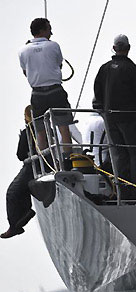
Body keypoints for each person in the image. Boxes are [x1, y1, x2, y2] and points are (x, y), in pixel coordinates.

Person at [93, 34, 136, 200]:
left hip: (110, 119)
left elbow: (97, 94)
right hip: (129, 118)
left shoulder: (104, 68)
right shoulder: (131, 69)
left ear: (114, 48)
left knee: (119, 155)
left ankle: (122, 194)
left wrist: (104, 111)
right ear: (128, 48)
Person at [18, 18, 74, 158]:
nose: (51, 32)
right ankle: (68, 160)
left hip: (37, 94)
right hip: (56, 91)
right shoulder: (53, 46)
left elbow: (25, 72)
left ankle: (44, 162)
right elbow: (58, 64)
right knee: (63, 127)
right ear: (42, 30)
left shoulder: (22, 51)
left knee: (40, 132)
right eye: (49, 29)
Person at [1, 106, 36, 238]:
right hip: (46, 164)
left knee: (12, 192)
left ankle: (14, 226)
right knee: (23, 188)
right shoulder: (48, 128)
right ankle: (25, 213)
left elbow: (20, 155)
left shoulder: (27, 132)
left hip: (32, 165)